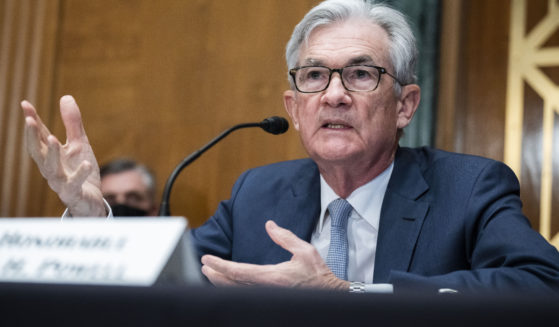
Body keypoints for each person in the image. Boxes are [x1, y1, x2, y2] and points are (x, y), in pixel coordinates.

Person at [20, 0, 559, 293]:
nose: (334, 96)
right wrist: (90, 213)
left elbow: (540, 284)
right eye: (315, 76)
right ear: (293, 106)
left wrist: (346, 295)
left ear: (405, 105)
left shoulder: (468, 188)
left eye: (362, 74)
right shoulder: (259, 193)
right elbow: (168, 275)